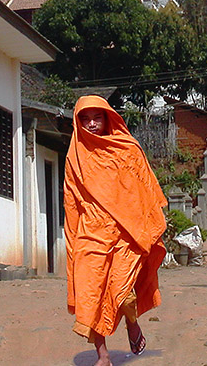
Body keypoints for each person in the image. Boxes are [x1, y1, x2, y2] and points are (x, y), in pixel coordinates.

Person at [64, 95, 167, 366]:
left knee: (120, 291)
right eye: (84, 119)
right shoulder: (75, 156)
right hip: (90, 232)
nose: (91, 124)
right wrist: (73, 240)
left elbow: (144, 188)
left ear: (108, 118)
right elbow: (71, 200)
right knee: (92, 292)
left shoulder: (127, 148)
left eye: (97, 117)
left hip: (126, 233)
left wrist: (150, 223)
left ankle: (132, 323)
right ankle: (103, 355)